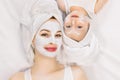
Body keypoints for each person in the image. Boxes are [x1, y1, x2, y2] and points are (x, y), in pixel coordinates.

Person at [9, 0, 87, 80]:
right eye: (45, 34)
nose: (53, 41)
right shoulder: (18, 78)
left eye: (58, 35)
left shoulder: (76, 75)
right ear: (32, 39)